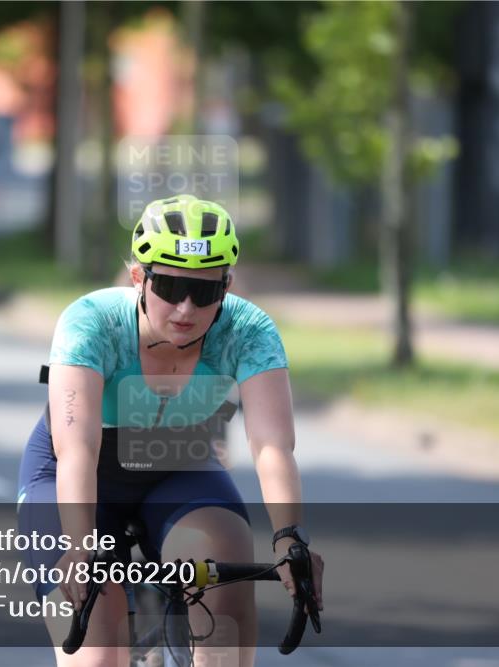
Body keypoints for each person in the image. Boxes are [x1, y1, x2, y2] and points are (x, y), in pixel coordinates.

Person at [17, 194, 324, 666]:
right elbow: (76, 447)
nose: (185, 308)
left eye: (204, 293)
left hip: (176, 464)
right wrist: (80, 548)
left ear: (227, 286)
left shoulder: (248, 331)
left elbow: (272, 447)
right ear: (139, 277)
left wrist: (290, 537)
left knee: (226, 585)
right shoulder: (92, 322)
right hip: (77, 473)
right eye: (170, 287)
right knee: (98, 655)